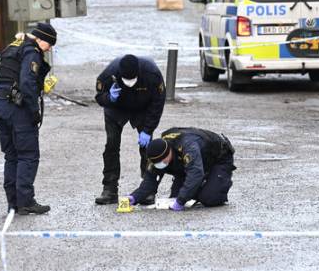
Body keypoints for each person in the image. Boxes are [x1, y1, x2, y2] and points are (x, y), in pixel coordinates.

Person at [0, 23, 57, 215]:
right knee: (28, 155)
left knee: (11, 155)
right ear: (40, 39)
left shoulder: (14, 47)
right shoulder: (31, 52)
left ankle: (13, 202)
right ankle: (26, 202)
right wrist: (33, 110)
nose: (50, 48)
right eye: (49, 43)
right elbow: (27, 82)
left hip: (1, 104)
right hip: (17, 108)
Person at [95, 54, 166, 205]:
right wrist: (109, 97)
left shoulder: (152, 74)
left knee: (147, 148)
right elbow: (99, 97)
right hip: (116, 109)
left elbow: (158, 103)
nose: (129, 84)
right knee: (111, 145)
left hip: (143, 108)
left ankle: (147, 190)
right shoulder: (109, 74)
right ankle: (109, 188)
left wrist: (148, 129)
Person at [126, 127, 236, 210]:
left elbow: (195, 173)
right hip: (194, 161)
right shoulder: (158, 154)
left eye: (162, 161)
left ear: (169, 152)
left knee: (208, 197)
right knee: (176, 195)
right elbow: (150, 180)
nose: (160, 164)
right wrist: (134, 197)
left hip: (218, 158)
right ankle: (199, 185)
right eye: (157, 163)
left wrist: (181, 200)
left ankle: (214, 182)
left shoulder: (188, 146)